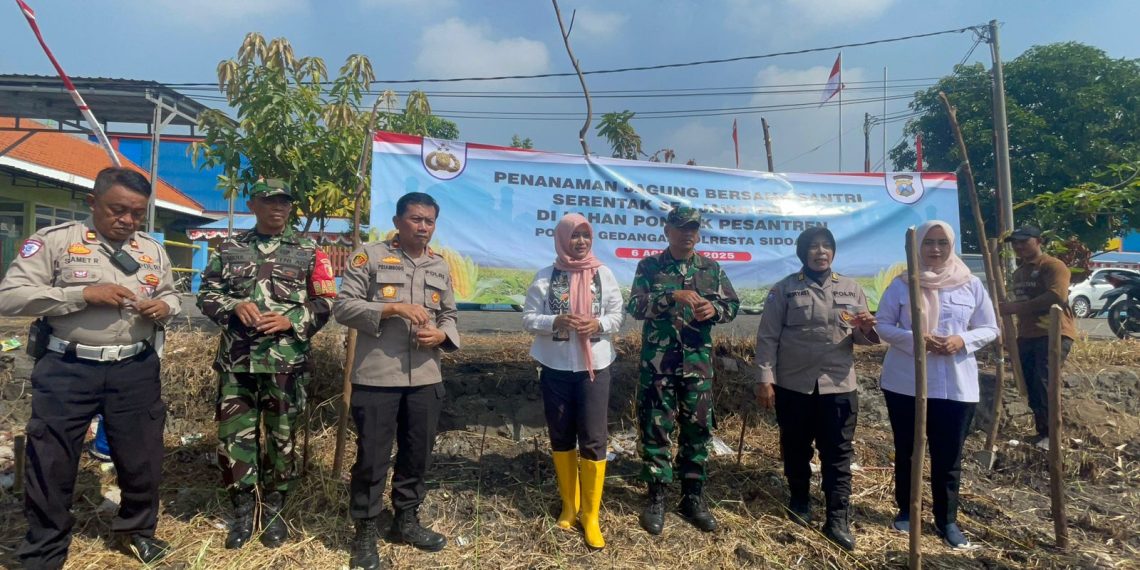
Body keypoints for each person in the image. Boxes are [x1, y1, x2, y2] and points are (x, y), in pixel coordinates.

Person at [0, 167, 179, 567]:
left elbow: (171, 293)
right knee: (52, 459)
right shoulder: (55, 242)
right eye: (118, 210)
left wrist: (164, 306)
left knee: (141, 457)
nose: (127, 221)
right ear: (93, 203)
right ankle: (45, 547)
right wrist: (81, 294)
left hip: (134, 367)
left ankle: (136, 532)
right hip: (67, 367)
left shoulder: (150, 250)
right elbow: (9, 298)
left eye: (137, 213)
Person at [196, 178, 337, 550]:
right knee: (234, 439)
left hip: (285, 364)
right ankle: (242, 510)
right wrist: (232, 306)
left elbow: (326, 302)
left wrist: (292, 319)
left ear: (291, 207)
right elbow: (207, 294)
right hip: (237, 363)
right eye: (268, 200)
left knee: (282, 438)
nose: (278, 207)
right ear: (252, 204)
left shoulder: (310, 251)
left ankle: (274, 508)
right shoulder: (228, 247)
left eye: (284, 202)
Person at [334, 192, 460, 570]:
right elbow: (343, 307)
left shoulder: (440, 266)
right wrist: (390, 308)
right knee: (372, 460)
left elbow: (450, 314)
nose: (423, 227)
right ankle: (366, 531)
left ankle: (406, 520)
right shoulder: (369, 257)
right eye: (416, 219)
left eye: (430, 221)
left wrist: (442, 335)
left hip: (425, 377)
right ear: (398, 220)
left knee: (416, 455)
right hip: (377, 377)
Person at [753, 226, 878, 552]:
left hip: (838, 386)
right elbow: (767, 337)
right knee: (795, 447)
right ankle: (800, 500)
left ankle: (837, 517)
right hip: (794, 385)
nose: (820, 252)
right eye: (813, 247)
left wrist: (865, 328)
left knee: (838, 453)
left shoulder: (852, 289)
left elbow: (862, 340)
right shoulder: (784, 290)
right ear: (802, 252)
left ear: (833, 252)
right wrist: (764, 379)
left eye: (826, 246)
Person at [876, 221, 998, 549]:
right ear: (918, 247)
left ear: (951, 245)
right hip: (906, 383)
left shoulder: (970, 284)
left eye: (942, 242)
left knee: (948, 456)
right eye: (929, 242)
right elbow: (883, 325)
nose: (935, 249)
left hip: (956, 387)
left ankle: (947, 520)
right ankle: (907, 511)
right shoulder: (903, 285)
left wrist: (962, 339)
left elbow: (989, 328)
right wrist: (916, 339)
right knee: (909, 450)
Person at [627, 206, 739, 536]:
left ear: (699, 233)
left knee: (697, 431)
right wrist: (670, 295)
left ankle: (692, 497)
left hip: (697, 365)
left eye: (692, 228)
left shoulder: (711, 268)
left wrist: (713, 309)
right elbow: (635, 306)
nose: (687, 233)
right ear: (667, 231)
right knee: (656, 428)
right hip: (658, 364)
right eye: (680, 228)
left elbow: (732, 305)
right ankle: (657, 497)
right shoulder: (649, 266)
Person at [522, 214, 624, 549]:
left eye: (585, 235)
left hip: (595, 366)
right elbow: (528, 318)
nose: (580, 242)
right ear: (562, 238)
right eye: (574, 236)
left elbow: (616, 315)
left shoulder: (603, 274)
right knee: (561, 433)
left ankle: (591, 515)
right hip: (555, 367)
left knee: (594, 438)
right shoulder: (546, 276)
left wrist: (598, 325)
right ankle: (570, 504)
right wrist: (556, 320)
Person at [998, 225, 1076, 450]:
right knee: (1030, 383)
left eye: (1024, 241)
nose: (1019, 246)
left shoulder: (1053, 266)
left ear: (1039, 241)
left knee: (1045, 382)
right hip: (1028, 335)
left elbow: (1057, 296)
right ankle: (1042, 432)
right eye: (1016, 243)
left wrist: (1015, 308)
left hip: (1053, 333)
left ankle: (1053, 436)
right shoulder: (1018, 272)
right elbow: (1016, 306)